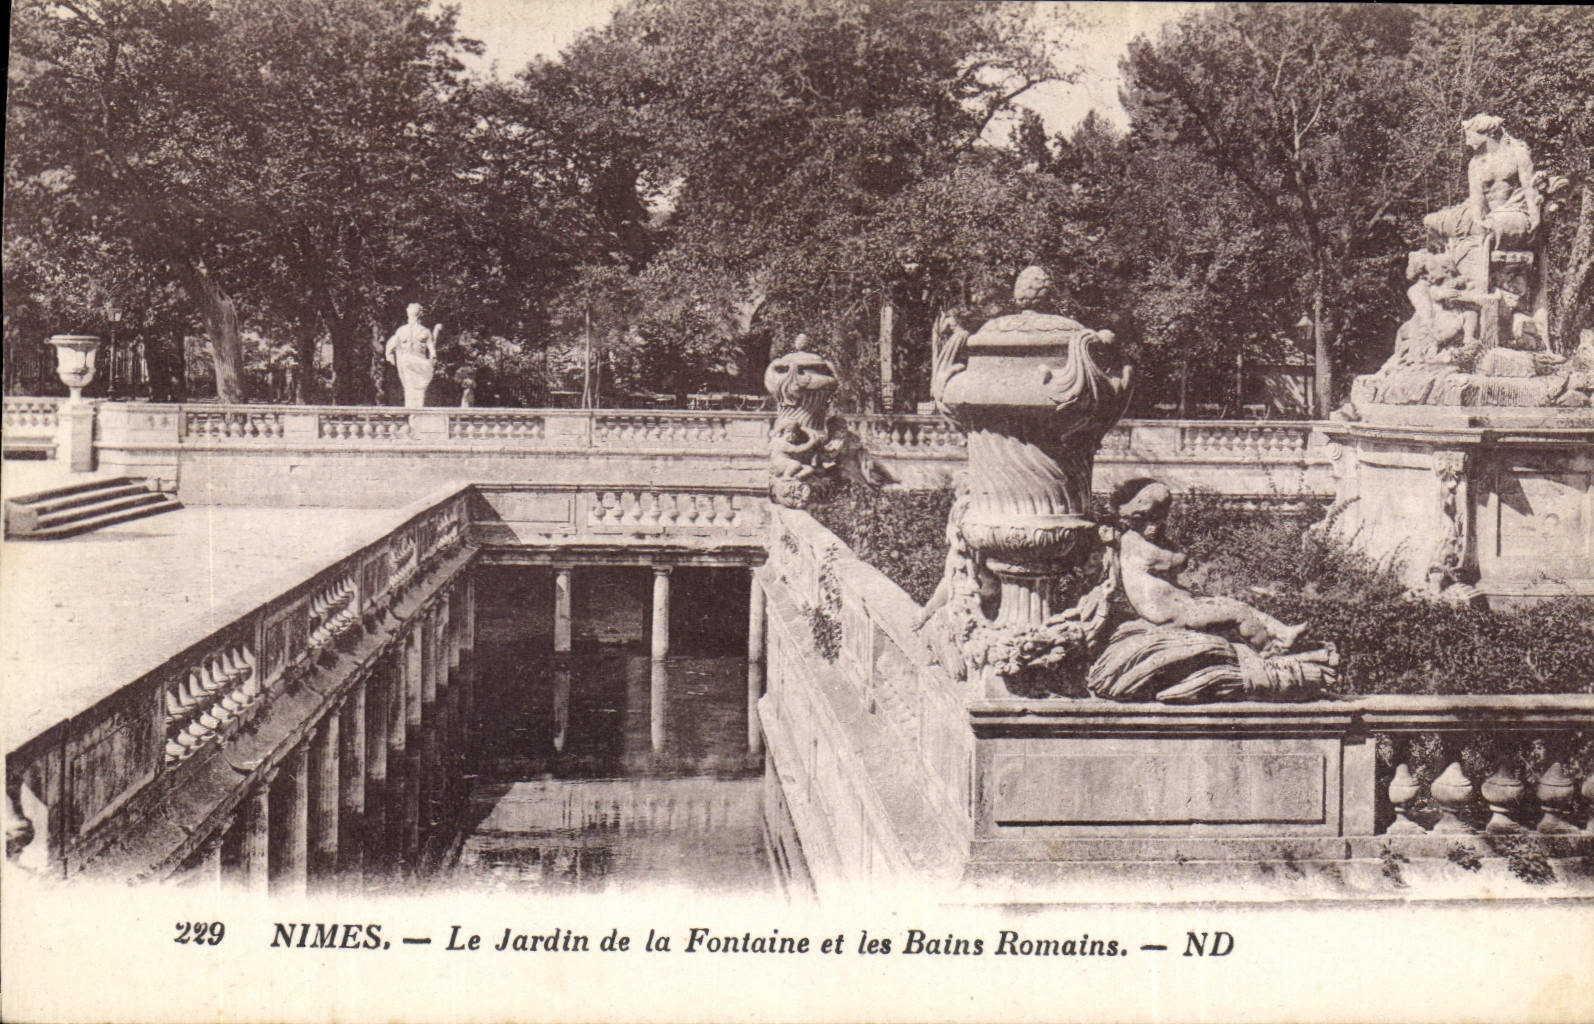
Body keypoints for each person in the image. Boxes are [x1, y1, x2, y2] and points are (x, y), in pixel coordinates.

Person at [1114, 480, 1305, 654]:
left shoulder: (1138, 541)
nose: (1157, 525)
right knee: (1239, 613)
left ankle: (1283, 632)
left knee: (1238, 605)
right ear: (1138, 518)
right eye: (1154, 518)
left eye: (1159, 519)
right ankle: (1269, 652)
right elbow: (1177, 561)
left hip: (1183, 607)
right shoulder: (1136, 544)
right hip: (1176, 614)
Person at [1423, 114, 1540, 290]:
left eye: (1470, 137)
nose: (1468, 143)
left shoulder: (1517, 153)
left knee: (1489, 227)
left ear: (1486, 133)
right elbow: (1476, 199)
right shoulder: (1475, 163)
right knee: (1431, 221)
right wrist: (1477, 219)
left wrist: (1535, 217)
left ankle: (1481, 285)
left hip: (1513, 212)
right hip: (1485, 214)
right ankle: (1451, 271)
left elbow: (1530, 188)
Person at [386, 302, 440, 408]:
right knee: (410, 387)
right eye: (411, 311)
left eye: (415, 312)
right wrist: (390, 356)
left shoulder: (424, 331)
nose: (413, 314)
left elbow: (431, 348)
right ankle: (412, 410)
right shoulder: (402, 330)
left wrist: (433, 357)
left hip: (420, 363)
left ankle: (416, 410)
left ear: (419, 314)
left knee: (419, 388)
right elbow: (392, 344)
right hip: (407, 362)